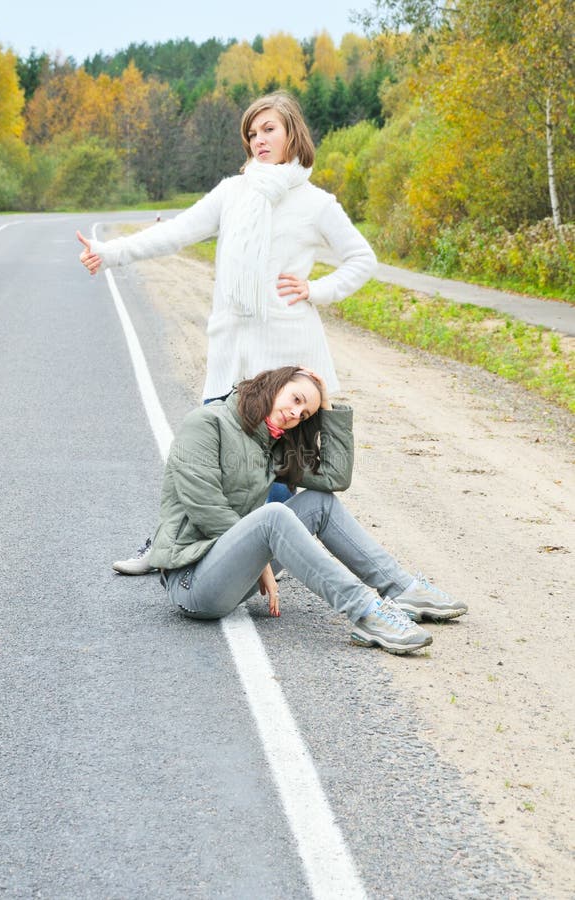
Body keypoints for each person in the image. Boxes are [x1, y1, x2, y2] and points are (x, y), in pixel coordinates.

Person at [76, 91, 378, 571]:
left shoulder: (316, 204)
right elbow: (173, 233)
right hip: (230, 357)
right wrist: (109, 252)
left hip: (284, 354)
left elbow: (363, 259)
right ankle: (167, 548)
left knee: (275, 471)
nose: (259, 139)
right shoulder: (233, 194)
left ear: (292, 133)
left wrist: (315, 290)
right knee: (200, 455)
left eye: (269, 130)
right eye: (252, 133)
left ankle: (253, 561)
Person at [143, 365, 467, 655]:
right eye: (296, 400)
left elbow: (334, 478)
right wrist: (262, 566)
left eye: (305, 415)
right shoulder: (207, 423)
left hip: (232, 575)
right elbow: (204, 506)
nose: (296, 414)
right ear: (274, 384)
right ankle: (366, 612)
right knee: (275, 516)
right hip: (193, 581)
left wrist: (326, 408)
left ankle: (404, 590)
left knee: (319, 502)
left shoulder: (273, 446)